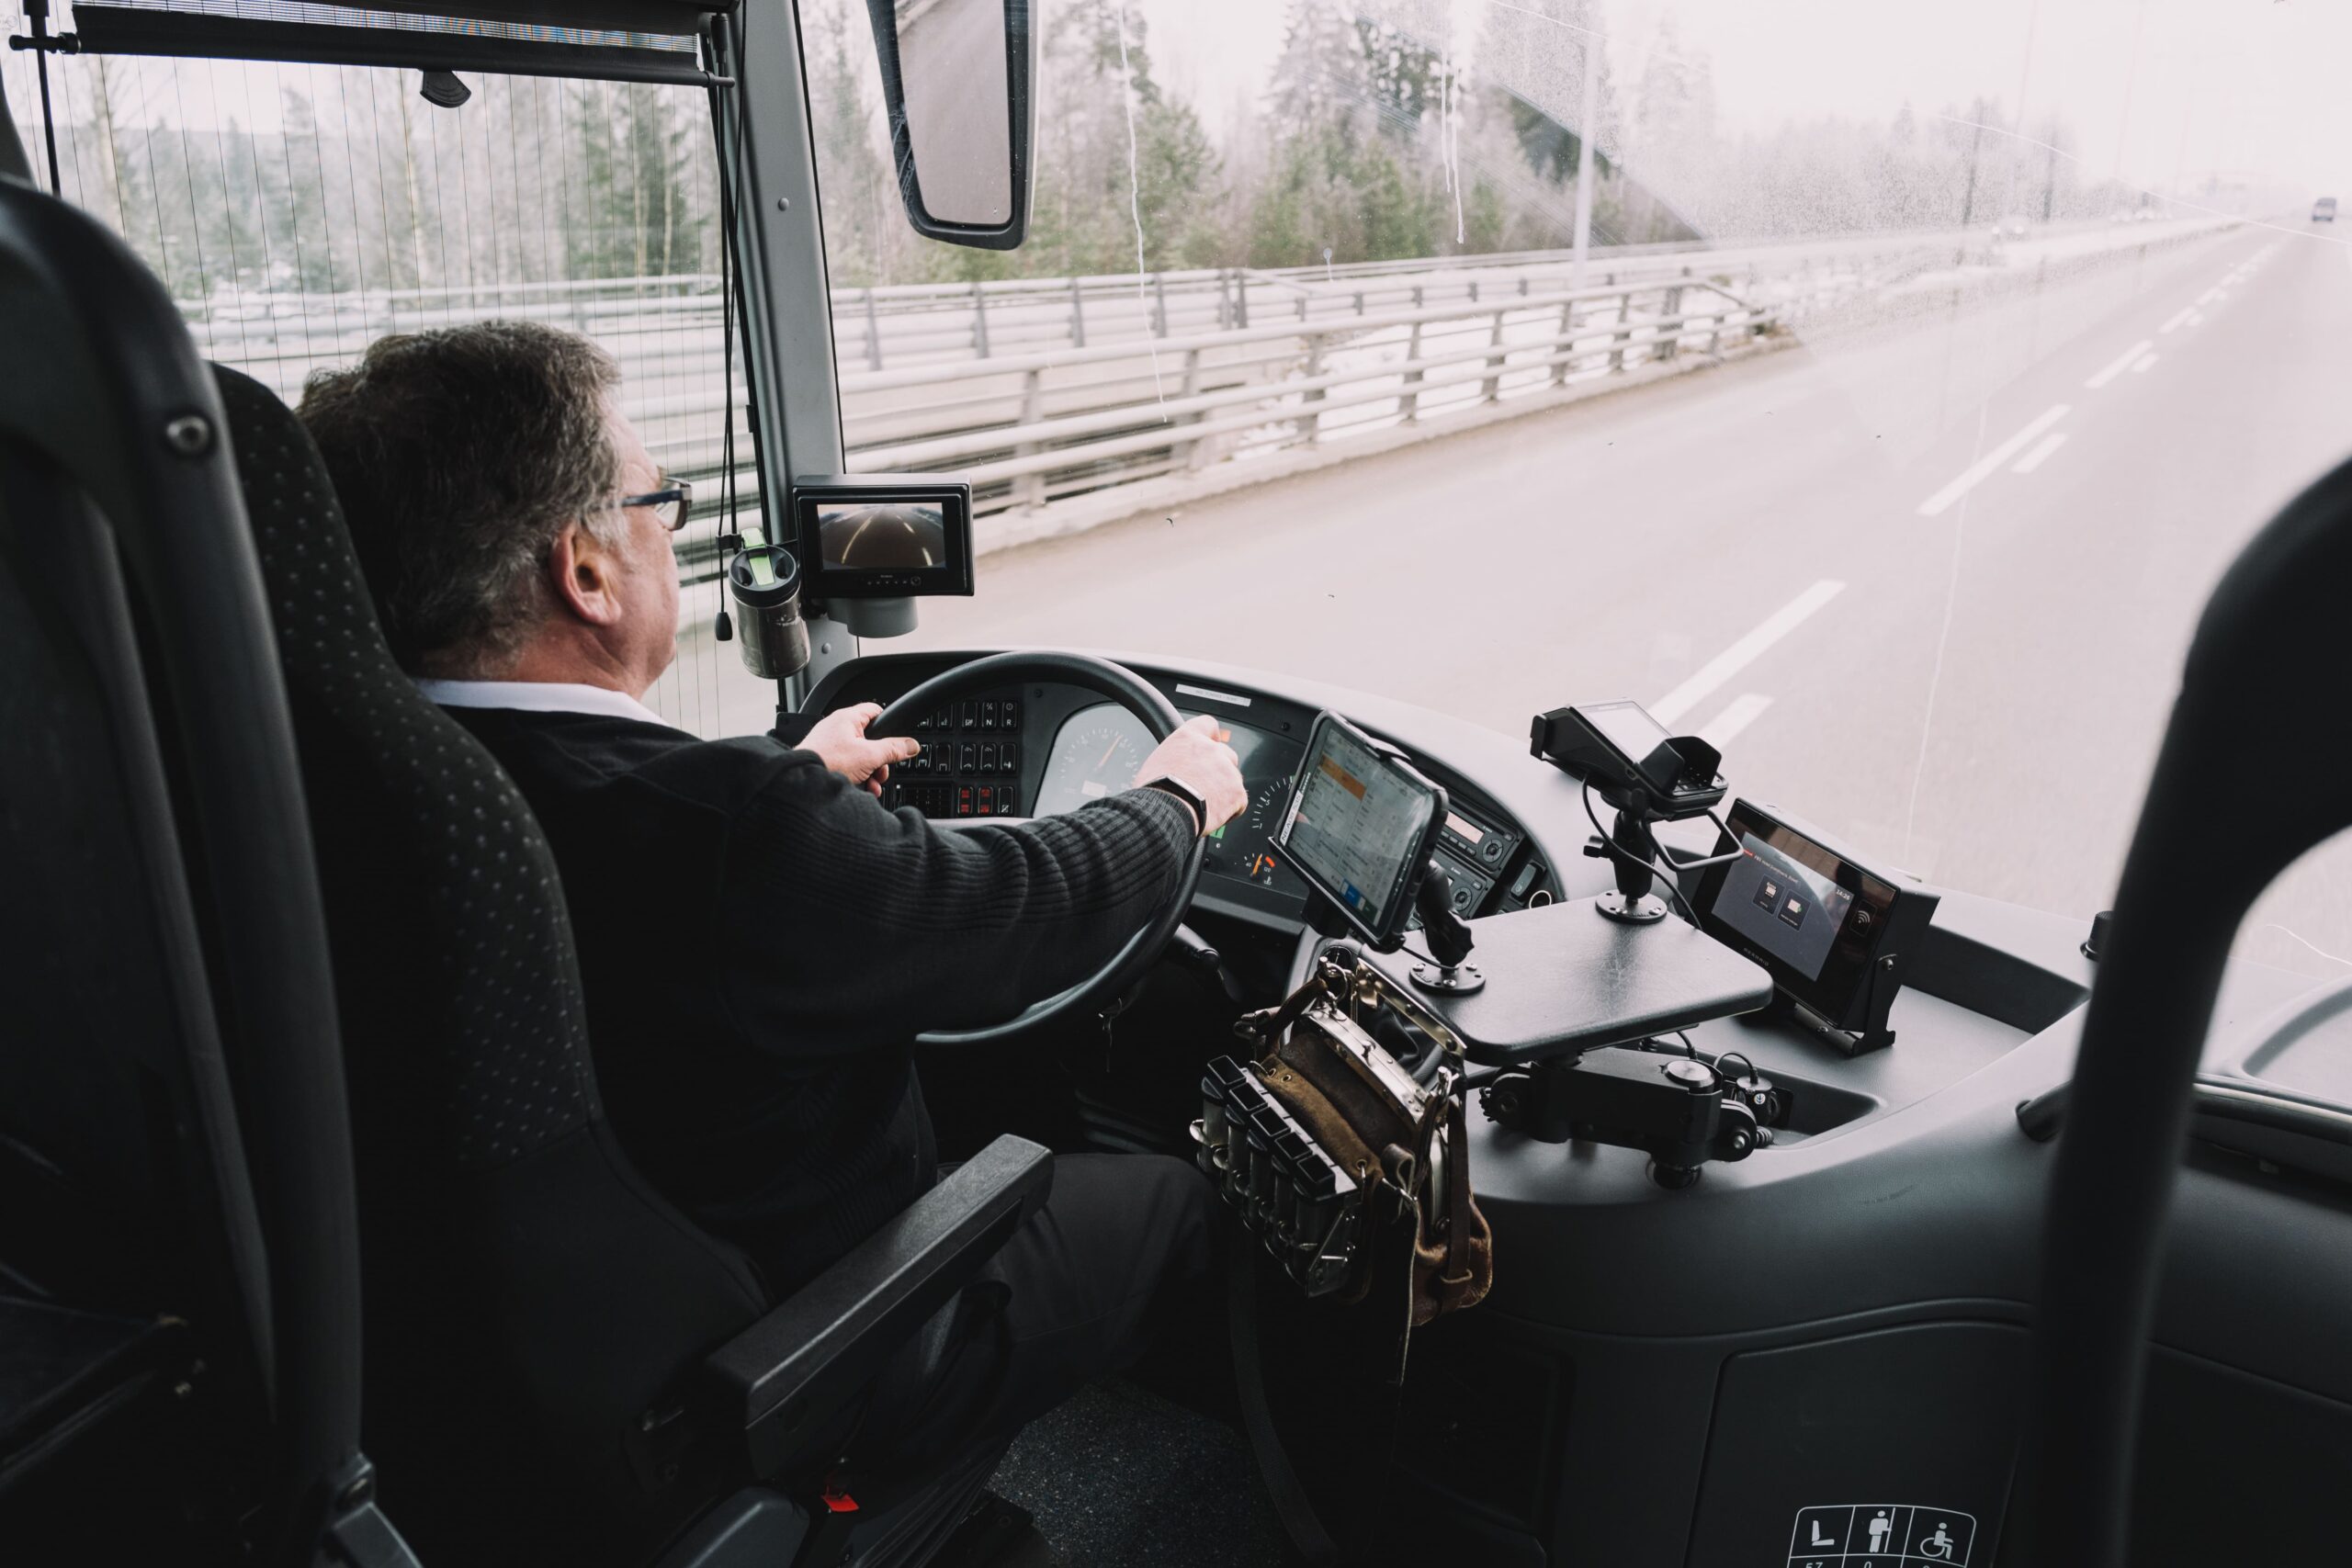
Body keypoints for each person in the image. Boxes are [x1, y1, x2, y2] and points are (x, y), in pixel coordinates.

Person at [297, 320, 1245, 1498]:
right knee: (1179, 1201)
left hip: (494, 1362)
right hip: (807, 1346)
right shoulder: (730, 834)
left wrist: (793, 768)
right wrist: (1171, 806)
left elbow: (637, 837)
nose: (668, 534)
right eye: (660, 507)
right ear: (584, 572)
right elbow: (1021, 911)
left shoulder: (359, 789)